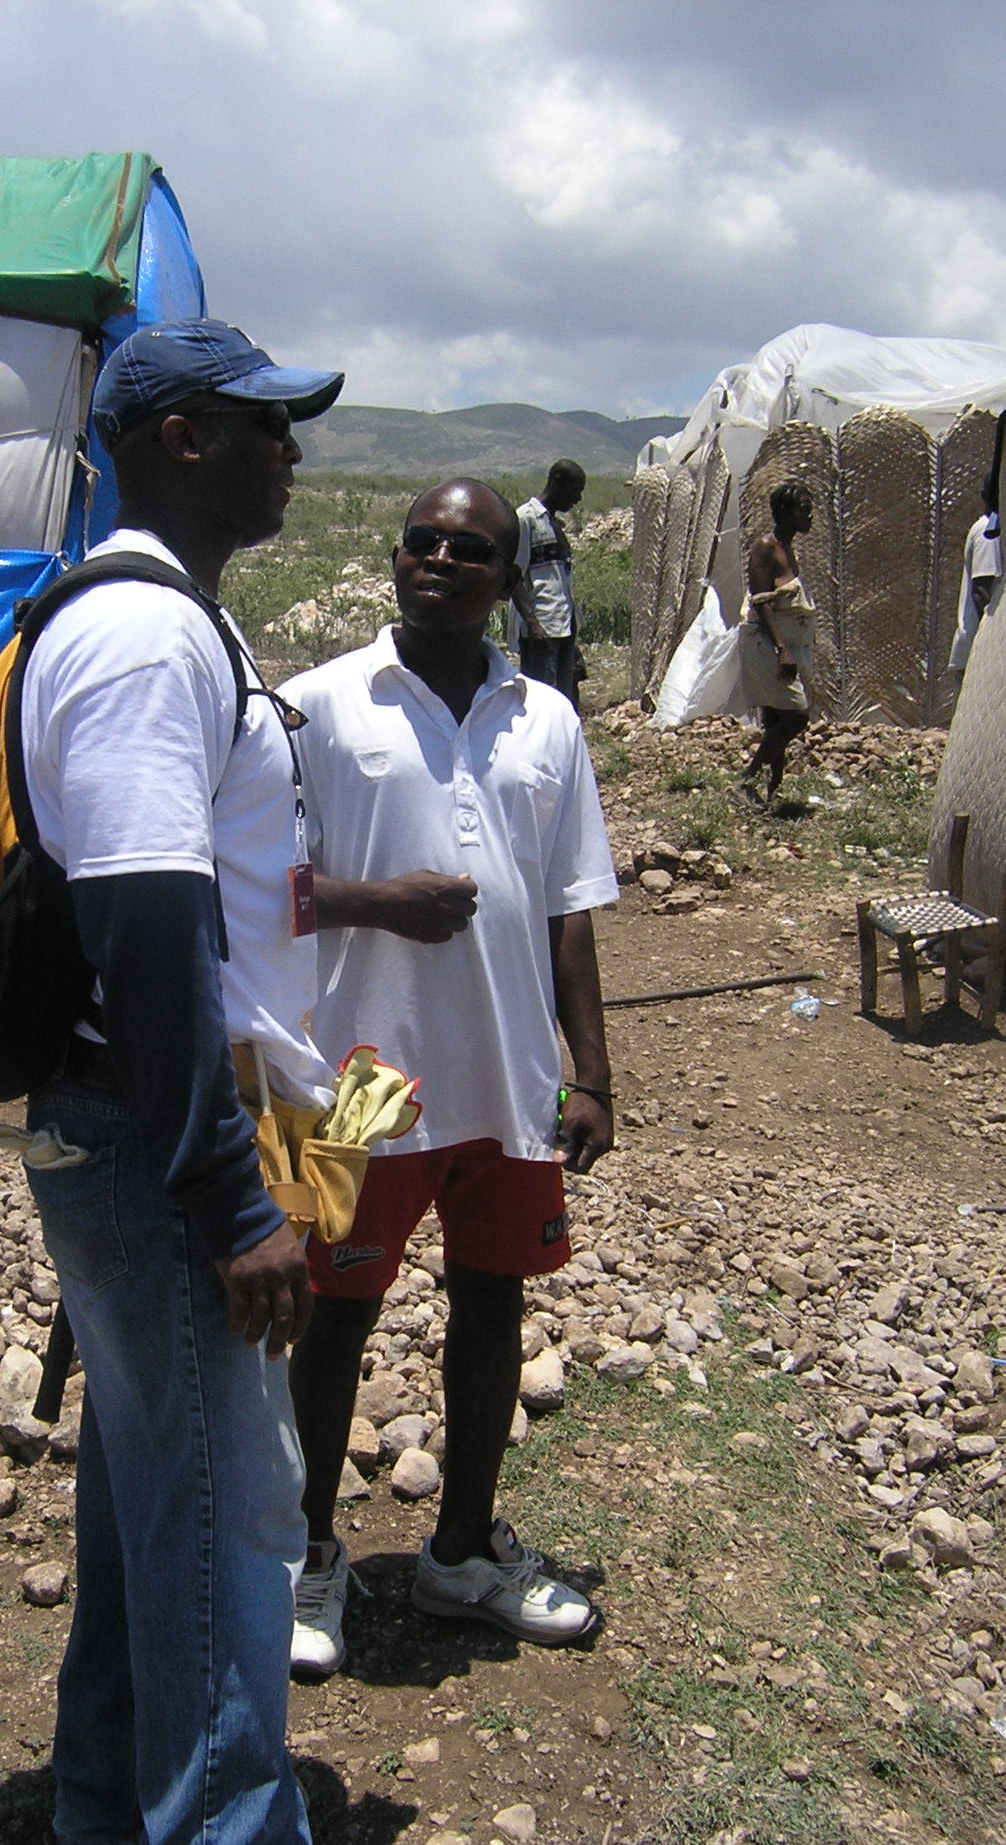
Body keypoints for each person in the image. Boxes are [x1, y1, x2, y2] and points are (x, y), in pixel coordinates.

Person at [14, 318, 344, 1845]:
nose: (293, 447)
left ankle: (106, 1785)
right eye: (262, 421)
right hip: (164, 1134)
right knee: (225, 1507)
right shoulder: (149, 638)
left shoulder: (164, 621)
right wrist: (230, 1199)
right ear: (176, 441)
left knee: (152, 1469)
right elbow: (146, 934)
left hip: (143, 1119)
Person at [280, 478, 617, 1679]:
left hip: (508, 1077)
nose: (437, 559)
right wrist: (383, 903)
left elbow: (571, 907)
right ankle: (303, 1555)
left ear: (509, 577)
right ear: (394, 559)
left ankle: (463, 1554)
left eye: (468, 549)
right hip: (349, 1075)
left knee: (494, 1306)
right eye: (420, 542)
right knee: (327, 1312)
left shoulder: (549, 721)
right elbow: (259, 888)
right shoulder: (318, 704)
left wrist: (592, 1075)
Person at [739, 479, 816, 807]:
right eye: (803, 509)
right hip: (768, 646)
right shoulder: (766, 547)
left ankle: (773, 787)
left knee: (775, 717)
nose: (809, 515)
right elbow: (762, 601)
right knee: (796, 716)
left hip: (783, 645)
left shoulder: (787, 548)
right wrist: (782, 649)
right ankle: (747, 780)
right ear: (784, 512)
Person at [510, 459, 585, 707]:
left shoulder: (555, 523)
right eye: (576, 490)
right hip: (542, 627)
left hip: (564, 624)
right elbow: (514, 575)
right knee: (541, 701)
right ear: (557, 482)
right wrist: (532, 623)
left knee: (563, 699)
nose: (578, 499)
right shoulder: (526, 518)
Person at [947, 471, 1002, 680]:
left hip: (971, 648)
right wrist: (994, 639)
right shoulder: (989, 531)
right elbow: (981, 593)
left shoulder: (988, 527)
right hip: (976, 651)